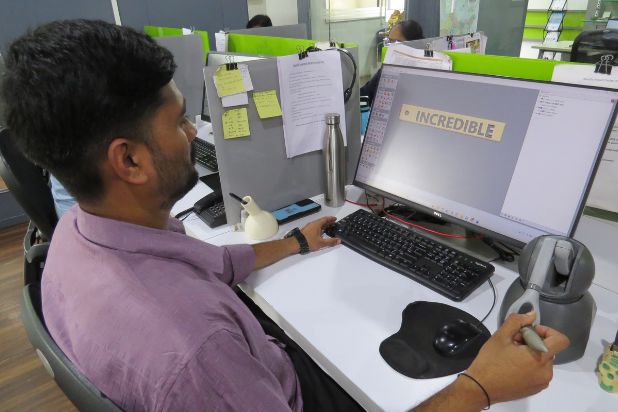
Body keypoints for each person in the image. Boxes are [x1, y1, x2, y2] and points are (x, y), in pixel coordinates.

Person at [2, 19, 569, 412]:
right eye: (178, 122)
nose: (194, 132)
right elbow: (205, 355)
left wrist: (295, 244)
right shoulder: (198, 354)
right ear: (129, 160)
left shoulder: (78, 235)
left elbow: (208, 263)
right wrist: (481, 387)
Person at [361, 19, 424, 105]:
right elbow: (365, 93)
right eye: (390, 42)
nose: (391, 48)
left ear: (413, 44)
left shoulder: (425, 71)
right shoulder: (388, 68)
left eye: (397, 42)